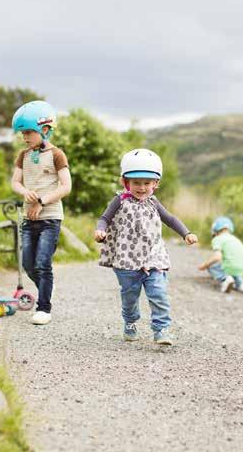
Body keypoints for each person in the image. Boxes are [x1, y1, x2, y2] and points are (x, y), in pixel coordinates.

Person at [95, 148, 198, 345]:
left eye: (147, 183)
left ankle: (161, 330)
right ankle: (131, 322)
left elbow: (170, 219)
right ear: (125, 182)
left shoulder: (154, 202)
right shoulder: (119, 200)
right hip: (126, 260)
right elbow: (105, 218)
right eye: (136, 183)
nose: (142, 187)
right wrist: (100, 230)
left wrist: (186, 233)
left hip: (153, 257)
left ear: (156, 183)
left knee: (158, 293)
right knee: (130, 298)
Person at [10, 101, 72, 325]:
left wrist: (41, 201)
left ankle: (44, 307)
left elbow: (66, 186)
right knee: (28, 263)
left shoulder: (57, 155)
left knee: (42, 263)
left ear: (45, 130)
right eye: (23, 133)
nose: (25, 137)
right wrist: (25, 192)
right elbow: (15, 182)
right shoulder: (23, 155)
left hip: (50, 218)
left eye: (29, 132)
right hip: (29, 219)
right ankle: (47, 288)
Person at [198, 216, 243, 293]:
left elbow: (217, 257)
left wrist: (205, 265)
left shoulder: (218, 239)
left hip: (231, 267)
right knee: (232, 265)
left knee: (212, 266)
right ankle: (239, 284)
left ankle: (225, 279)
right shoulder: (235, 239)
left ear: (215, 229)